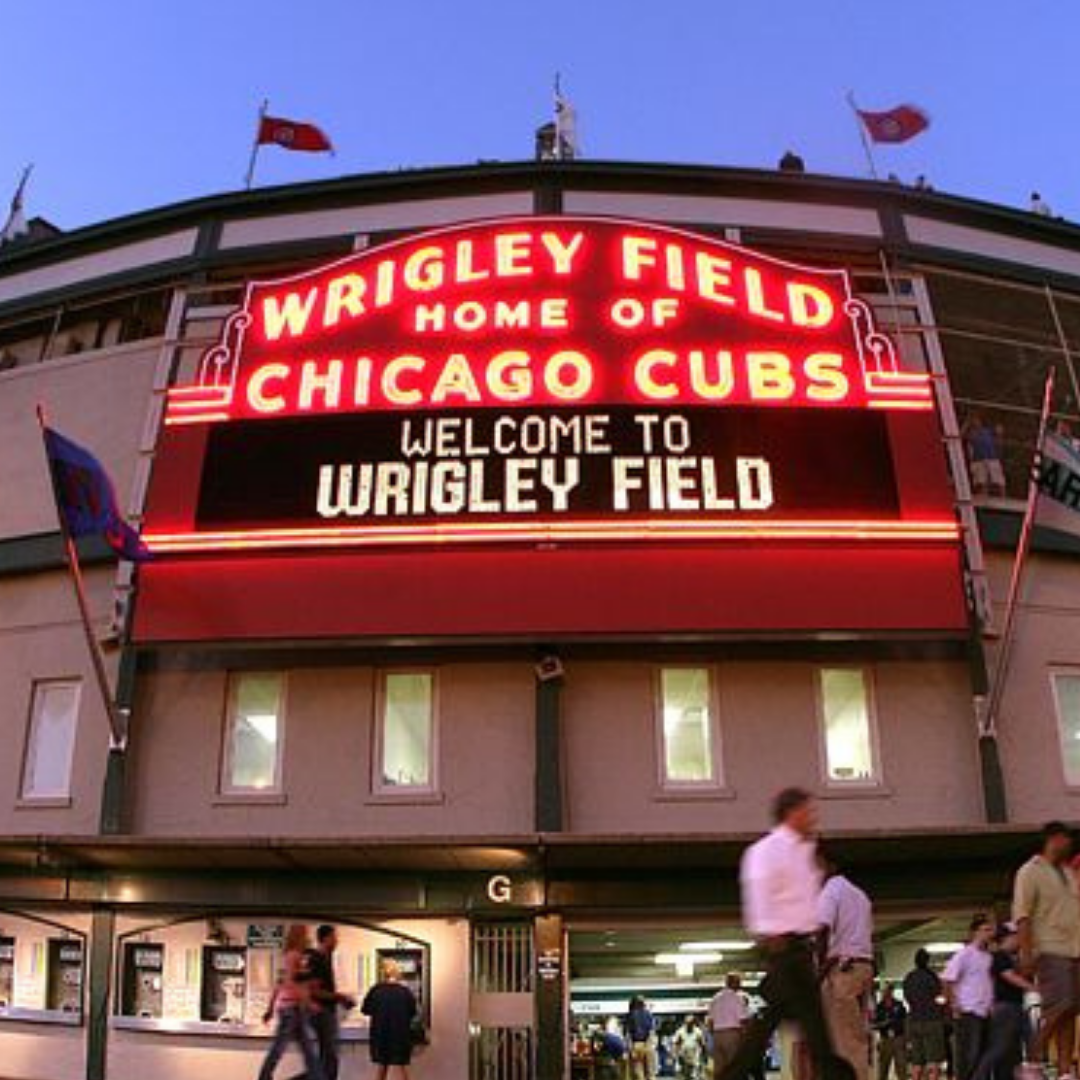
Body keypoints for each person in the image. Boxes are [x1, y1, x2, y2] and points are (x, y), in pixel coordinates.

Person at [717, 787, 855, 1080]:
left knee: (785, 1022)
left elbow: (807, 900)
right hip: (784, 945)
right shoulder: (767, 851)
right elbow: (760, 892)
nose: (813, 817)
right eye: (808, 811)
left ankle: (734, 1074)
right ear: (792, 813)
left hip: (798, 948)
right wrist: (770, 934)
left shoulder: (804, 851)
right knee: (808, 1027)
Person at [1013, 821, 1080, 1080]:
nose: (1070, 844)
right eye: (1066, 838)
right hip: (1050, 949)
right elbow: (1022, 914)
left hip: (1075, 948)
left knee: (1072, 1010)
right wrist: (1026, 952)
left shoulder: (1069, 873)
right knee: (1059, 1004)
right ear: (1053, 839)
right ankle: (1031, 1058)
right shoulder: (1030, 871)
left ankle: (1065, 1071)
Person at [818, 848, 876, 1080]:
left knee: (842, 1042)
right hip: (863, 967)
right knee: (856, 1039)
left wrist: (820, 968)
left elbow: (822, 927)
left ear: (830, 866)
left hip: (843, 970)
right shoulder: (861, 895)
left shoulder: (832, 888)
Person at [258, 924, 327, 1080]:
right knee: (280, 1047)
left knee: (306, 1048)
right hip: (291, 1009)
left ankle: (317, 1076)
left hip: (293, 1008)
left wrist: (270, 1009)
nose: (308, 938)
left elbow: (280, 984)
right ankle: (264, 1076)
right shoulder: (294, 956)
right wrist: (309, 1003)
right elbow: (290, 983)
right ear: (299, 936)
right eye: (305, 934)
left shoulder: (292, 956)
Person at [971, 922, 1035, 1080]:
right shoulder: (999, 956)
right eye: (1016, 937)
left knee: (1014, 1049)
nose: (1019, 940)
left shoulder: (1010, 958)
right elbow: (1009, 977)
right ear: (1008, 937)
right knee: (1000, 1047)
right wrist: (1033, 988)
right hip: (1006, 1007)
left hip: (1014, 1006)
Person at [942, 915, 995, 1080]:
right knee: (969, 1055)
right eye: (985, 930)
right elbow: (947, 979)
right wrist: (954, 1004)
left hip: (985, 1012)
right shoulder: (964, 955)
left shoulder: (988, 957)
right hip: (968, 1010)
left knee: (983, 1054)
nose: (989, 934)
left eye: (990, 930)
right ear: (975, 932)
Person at [306, 924, 356, 1080]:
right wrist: (340, 997)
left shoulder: (325, 958)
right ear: (326, 938)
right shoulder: (317, 959)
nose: (337, 941)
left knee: (327, 1057)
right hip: (322, 1014)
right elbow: (314, 990)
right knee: (330, 1057)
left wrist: (339, 999)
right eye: (334, 938)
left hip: (325, 1012)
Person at [361, 958, 419, 1080]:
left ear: (383, 973)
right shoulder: (405, 992)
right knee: (402, 1067)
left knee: (382, 1067)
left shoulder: (375, 990)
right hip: (400, 1035)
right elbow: (413, 1013)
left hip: (380, 1035)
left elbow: (365, 1010)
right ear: (397, 973)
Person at [903, 949, 947, 1080]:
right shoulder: (931, 977)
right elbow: (940, 997)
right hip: (931, 1021)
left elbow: (907, 997)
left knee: (917, 1061)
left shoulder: (909, 977)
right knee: (933, 1060)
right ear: (927, 961)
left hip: (913, 1021)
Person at [709, 974, 750, 1077]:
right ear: (733, 983)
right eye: (739, 982)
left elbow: (710, 1021)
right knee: (734, 1067)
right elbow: (743, 1021)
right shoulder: (737, 998)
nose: (741, 984)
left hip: (717, 1035)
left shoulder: (715, 998)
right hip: (732, 1035)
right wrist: (746, 1039)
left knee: (719, 1069)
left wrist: (714, 1035)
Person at [962, 413, 1007, 498]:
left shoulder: (987, 430)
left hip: (992, 457)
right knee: (982, 480)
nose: (976, 422)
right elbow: (961, 436)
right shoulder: (970, 433)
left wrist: (1000, 434)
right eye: (973, 420)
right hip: (978, 459)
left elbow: (998, 436)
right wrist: (966, 423)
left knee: (998, 479)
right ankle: (984, 495)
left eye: (977, 420)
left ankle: (1003, 496)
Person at [873, 984, 908, 1080]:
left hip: (898, 1038)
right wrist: (883, 1024)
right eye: (884, 991)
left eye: (889, 991)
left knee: (901, 1067)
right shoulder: (879, 1007)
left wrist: (906, 1038)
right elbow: (874, 1023)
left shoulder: (899, 1005)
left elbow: (905, 1021)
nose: (886, 993)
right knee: (883, 1067)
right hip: (885, 1039)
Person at [627, 995, 657, 1080]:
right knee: (650, 1073)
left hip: (636, 1045)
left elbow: (628, 1034)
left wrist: (631, 1049)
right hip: (648, 1045)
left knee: (638, 1072)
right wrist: (649, 1045)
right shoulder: (649, 1014)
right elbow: (651, 1032)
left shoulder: (630, 1015)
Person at [673, 1015, 708, 1080]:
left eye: (690, 1023)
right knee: (682, 1075)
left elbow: (702, 1045)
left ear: (693, 1024)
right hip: (683, 1058)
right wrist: (675, 1055)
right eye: (687, 1023)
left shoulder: (698, 1032)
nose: (688, 1025)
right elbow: (676, 1044)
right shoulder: (680, 1031)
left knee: (694, 1077)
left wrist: (705, 1057)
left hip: (694, 1058)